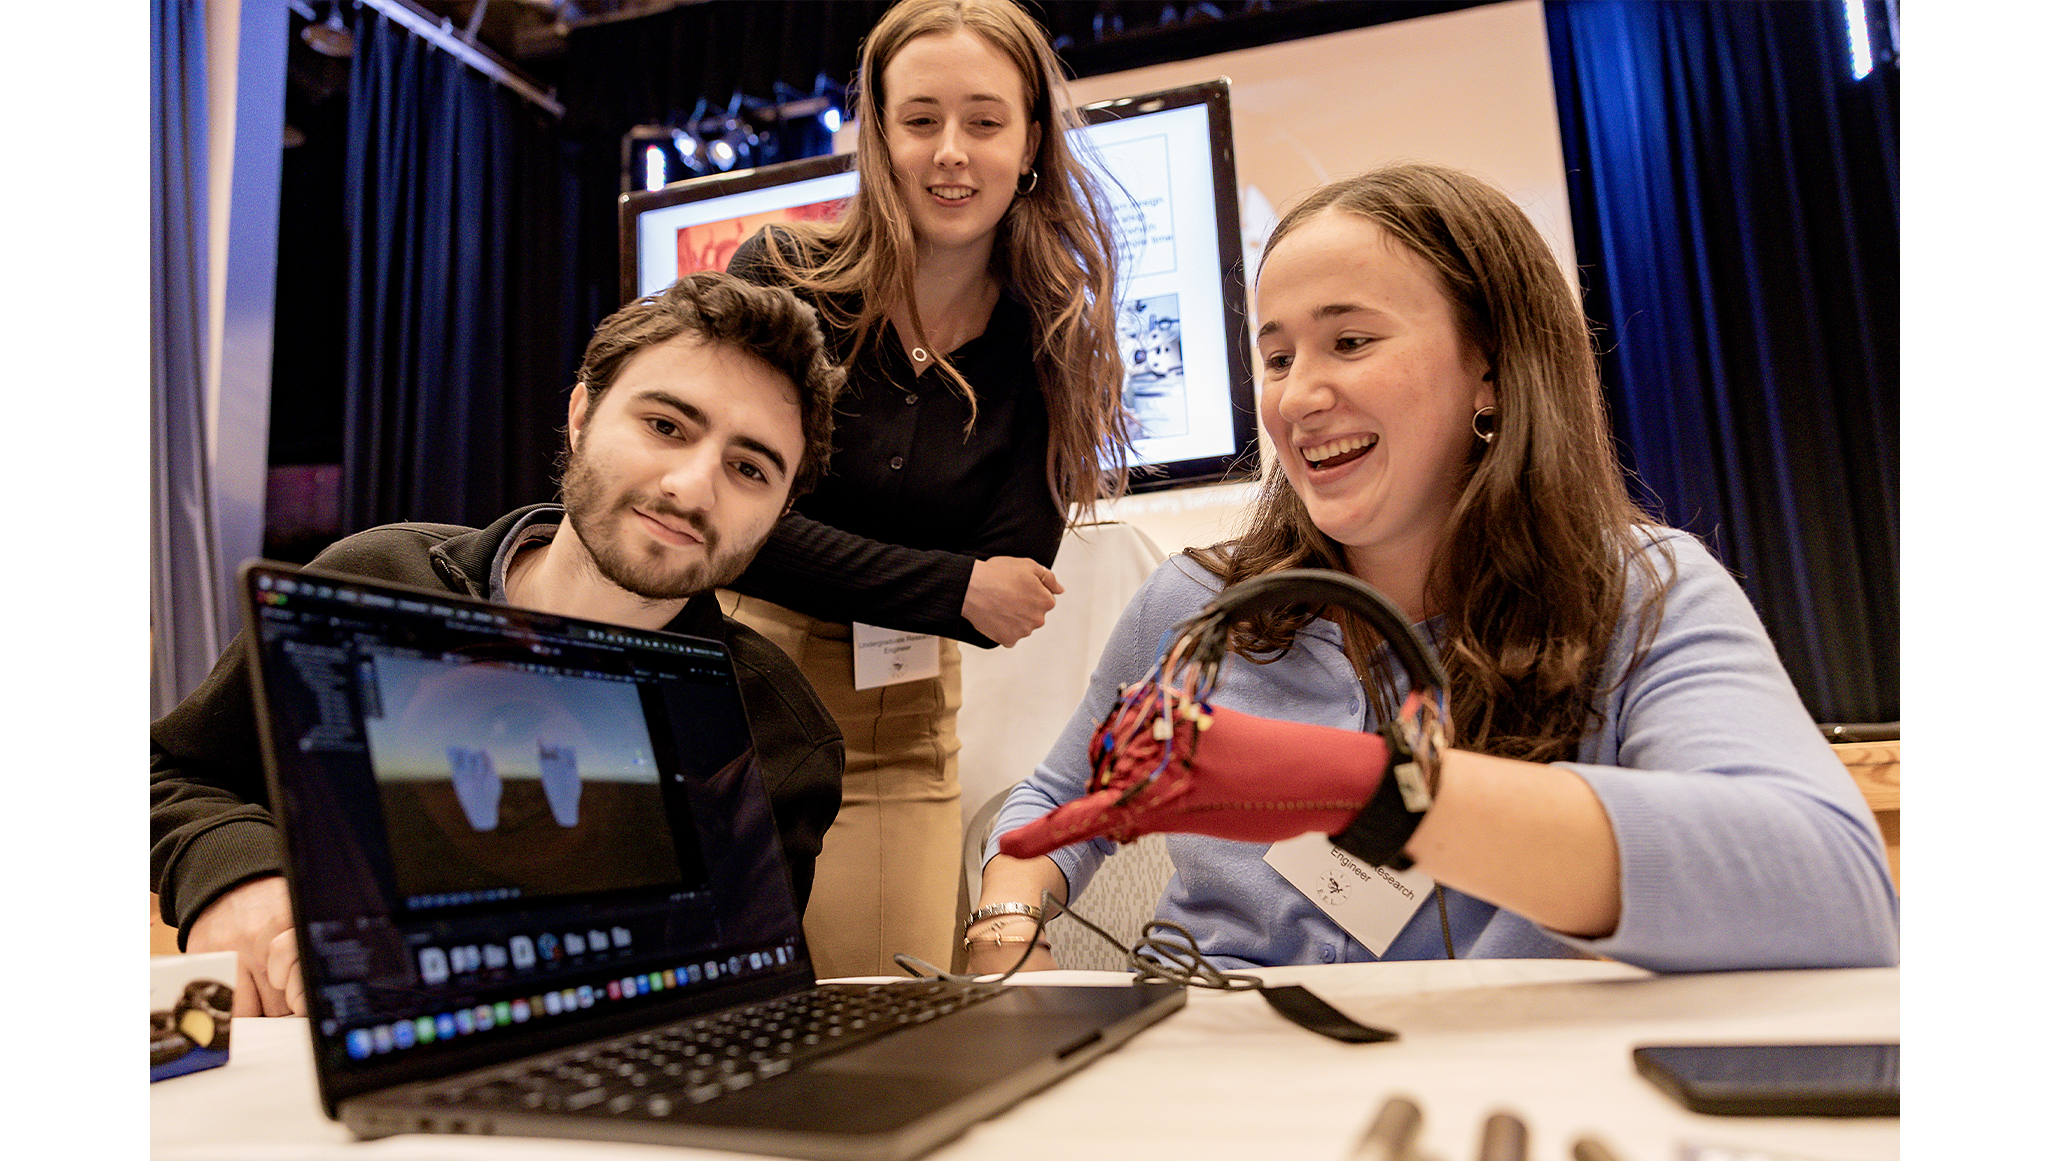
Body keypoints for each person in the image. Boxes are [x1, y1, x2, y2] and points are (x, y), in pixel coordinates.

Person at [971, 164, 1900, 975]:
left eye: (1351, 341)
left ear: (1489, 367)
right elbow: (1057, 800)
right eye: (1278, 355)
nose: (1298, 395)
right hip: (1219, 1080)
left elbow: (1838, 890)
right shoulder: (1196, 603)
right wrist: (1006, 920)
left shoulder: (1643, 592)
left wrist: (1370, 789)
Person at [151, 271, 848, 1015]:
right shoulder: (379, 583)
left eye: (749, 468)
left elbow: (735, 996)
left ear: (778, 512)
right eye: (666, 426)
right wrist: (237, 876)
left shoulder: (778, 730)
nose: (692, 486)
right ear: (582, 414)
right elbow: (171, 771)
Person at [721, 0, 1130, 978]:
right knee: (722, 1030)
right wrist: (948, 585)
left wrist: (920, 583)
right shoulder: (778, 276)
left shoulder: (1048, 334)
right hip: (735, 694)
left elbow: (1012, 594)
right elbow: (736, 528)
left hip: (897, 728)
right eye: (919, 121)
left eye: (984, 122)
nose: (951, 152)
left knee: (885, 1017)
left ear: (1029, 138)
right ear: (876, 134)